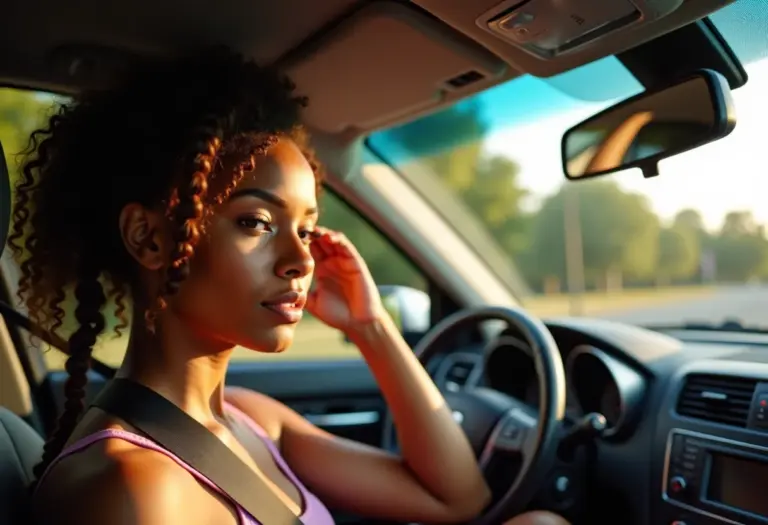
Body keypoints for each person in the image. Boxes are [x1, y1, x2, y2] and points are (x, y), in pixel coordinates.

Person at [12, 47, 568, 525]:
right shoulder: (132, 489)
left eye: (306, 229)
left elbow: (457, 498)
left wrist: (371, 327)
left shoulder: (256, 419)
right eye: (257, 222)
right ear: (149, 238)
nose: (301, 259)